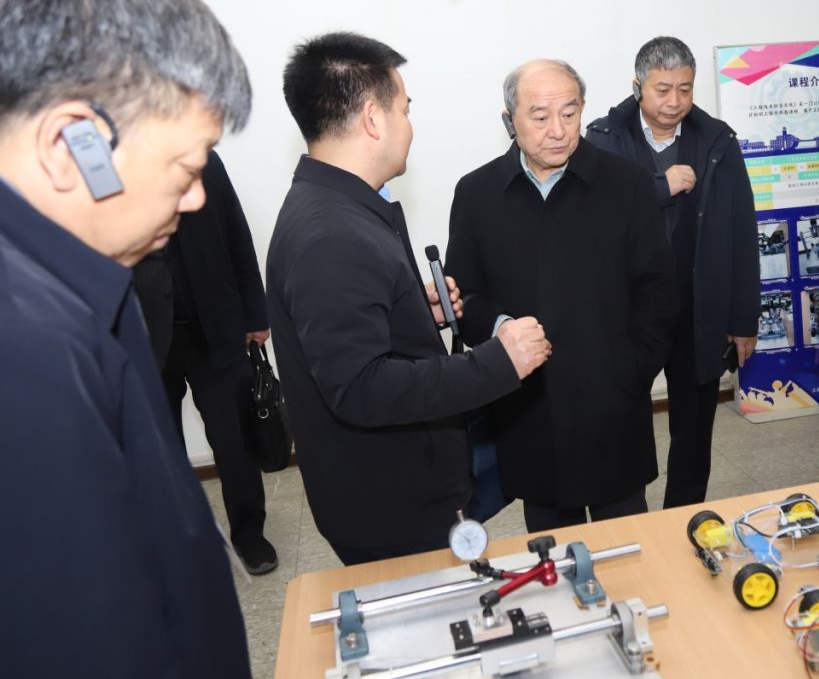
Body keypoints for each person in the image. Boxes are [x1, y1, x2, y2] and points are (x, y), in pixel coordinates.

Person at [0, 0, 252, 676]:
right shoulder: (25, 352)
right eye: (187, 168)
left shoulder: (85, 280)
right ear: (70, 144)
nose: (196, 197)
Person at [270, 32, 549, 564]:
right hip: (388, 505)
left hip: (397, 483)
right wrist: (498, 361)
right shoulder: (331, 235)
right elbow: (361, 387)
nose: (409, 124)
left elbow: (353, 328)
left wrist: (412, 309)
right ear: (373, 119)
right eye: (405, 108)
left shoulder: (340, 205)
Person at [448, 59, 676, 531]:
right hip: (531, 409)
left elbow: (656, 290)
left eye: (570, 114)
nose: (558, 130)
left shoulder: (627, 183)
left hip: (613, 405)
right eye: (540, 116)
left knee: (630, 545)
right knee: (552, 552)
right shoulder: (477, 194)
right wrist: (503, 332)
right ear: (510, 120)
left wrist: (632, 369)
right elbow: (465, 296)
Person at [584, 37, 758, 509]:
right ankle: (630, 515)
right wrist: (661, 186)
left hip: (698, 308)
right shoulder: (603, 139)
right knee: (623, 420)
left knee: (694, 429)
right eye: (663, 89)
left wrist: (743, 318)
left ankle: (683, 516)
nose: (674, 101)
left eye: (685, 89)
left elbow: (742, 230)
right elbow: (593, 217)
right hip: (628, 313)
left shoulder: (717, 141)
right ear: (638, 86)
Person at [156, 149, 277, 574]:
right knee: (161, 447)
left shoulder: (204, 158)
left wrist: (255, 314)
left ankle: (249, 534)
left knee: (234, 438)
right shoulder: (110, 163)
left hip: (215, 326)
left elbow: (236, 235)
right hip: (146, 332)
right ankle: (180, 540)